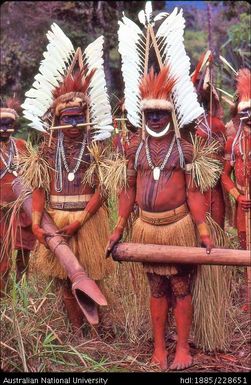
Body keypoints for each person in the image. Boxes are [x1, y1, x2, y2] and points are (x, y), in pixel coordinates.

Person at [106, 5, 219, 370]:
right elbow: (127, 190)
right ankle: (159, 347)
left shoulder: (185, 149)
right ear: (143, 114)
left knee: (181, 287)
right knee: (156, 287)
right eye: (149, 114)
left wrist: (202, 228)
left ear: (171, 114)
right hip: (146, 228)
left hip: (179, 227)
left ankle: (182, 347)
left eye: (161, 113)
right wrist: (119, 226)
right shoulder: (134, 148)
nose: (155, 119)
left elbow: (195, 191)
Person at [21, 23, 114, 334]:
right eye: (67, 117)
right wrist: (36, 222)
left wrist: (82, 219)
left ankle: (97, 331)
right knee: (64, 278)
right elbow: (39, 189)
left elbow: (103, 189)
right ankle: (77, 331)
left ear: (87, 117)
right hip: (57, 218)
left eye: (78, 117)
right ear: (57, 118)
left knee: (91, 275)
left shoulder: (96, 149)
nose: (73, 124)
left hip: (87, 220)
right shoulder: (47, 151)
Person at [221, 68, 251, 311]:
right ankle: (249, 297)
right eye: (245, 112)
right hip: (243, 205)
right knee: (245, 250)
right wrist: (238, 196)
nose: (250, 117)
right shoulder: (234, 142)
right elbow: (224, 176)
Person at [0, 97, 36, 295]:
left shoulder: (22, 146)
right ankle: (4, 295)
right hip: (1, 214)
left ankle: (23, 291)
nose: (5, 129)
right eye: (1, 125)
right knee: (3, 258)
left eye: (9, 125)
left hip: (22, 210)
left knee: (24, 252)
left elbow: (33, 173)